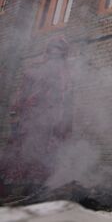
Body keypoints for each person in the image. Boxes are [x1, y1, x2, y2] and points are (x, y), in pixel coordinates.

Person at [0, 37, 72, 192]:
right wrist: (16, 111)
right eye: (53, 49)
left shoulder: (65, 73)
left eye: (59, 51)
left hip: (51, 121)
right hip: (31, 117)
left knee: (45, 152)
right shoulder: (35, 68)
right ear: (48, 50)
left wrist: (64, 123)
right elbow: (23, 92)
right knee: (22, 148)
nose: (55, 54)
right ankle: (12, 185)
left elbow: (65, 99)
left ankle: (34, 186)